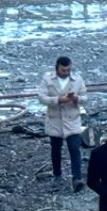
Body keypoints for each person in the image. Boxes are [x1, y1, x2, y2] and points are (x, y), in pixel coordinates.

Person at [36, 56, 87, 191]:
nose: (66, 72)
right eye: (63, 70)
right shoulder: (47, 80)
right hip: (55, 119)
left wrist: (76, 98)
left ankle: (77, 178)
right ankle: (57, 174)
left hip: (72, 119)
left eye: (68, 70)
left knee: (74, 148)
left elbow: (85, 97)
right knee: (56, 149)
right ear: (57, 68)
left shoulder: (77, 79)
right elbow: (41, 98)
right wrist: (58, 100)